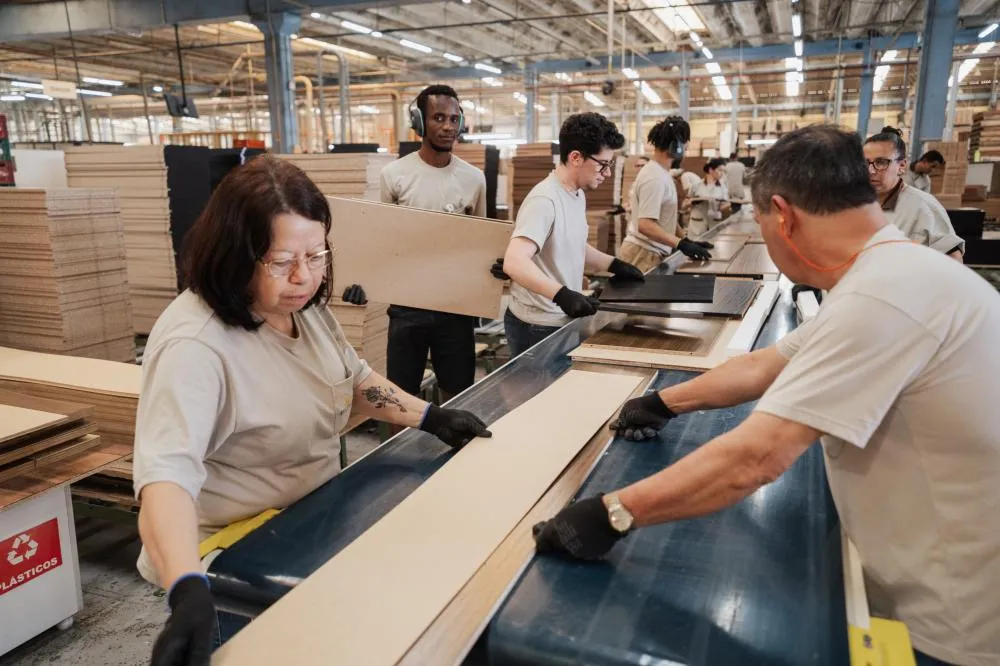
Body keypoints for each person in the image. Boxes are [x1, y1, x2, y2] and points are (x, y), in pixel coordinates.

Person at [533, 126, 1000, 666]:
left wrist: (610, 513)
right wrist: (664, 402)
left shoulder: (885, 295)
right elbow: (765, 366)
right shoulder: (896, 270)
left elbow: (755, 458)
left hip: (957, 621)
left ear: (783, 213)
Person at [135, 155, 493, 665]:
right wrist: (186, 587)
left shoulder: (302, 306)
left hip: (311, 517)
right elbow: (165, 478)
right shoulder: (196, 345)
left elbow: (354, 380)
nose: (304, 277)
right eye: (282, 261)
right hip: (235, 551)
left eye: (317, 255)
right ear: (236, 255)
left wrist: (430, 417)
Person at [371, 84, 489, 401]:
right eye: (438, 117)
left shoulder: (474, 179)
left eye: (454, 119)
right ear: (420, 122)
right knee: (399, 395)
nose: (448, 126)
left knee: (458, 391)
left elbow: (481, 240)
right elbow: (385, 240)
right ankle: (400, 451)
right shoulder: (394, 175)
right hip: (408, 304)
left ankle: (456, 449)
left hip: (455, 305)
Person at [502, 112, 641, 356]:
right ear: (575, 157)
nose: (607, 174)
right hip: (537, 324)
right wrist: (562, 295)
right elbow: (514, 262)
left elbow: (572, 243)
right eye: (603, 164)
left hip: (559, 318)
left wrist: (614, 264)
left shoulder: (576, 194)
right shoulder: (544, 200)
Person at [616, 117, 713, 274]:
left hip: (649, 252)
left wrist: (686, 240)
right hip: (641, 254)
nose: (685, 153)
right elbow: (645, 225)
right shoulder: (655, 177)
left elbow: (664, 218)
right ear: (677, 147)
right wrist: (680, 245)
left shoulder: (662, 174)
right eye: (685, 148)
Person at [864, 128, 963, 261]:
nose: (871, 170)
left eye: (881, 162)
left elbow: (952, 258)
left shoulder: (924, 207)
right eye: (865, 163)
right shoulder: (854, 203)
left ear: (902, 165)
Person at [685, 157, 730, 237]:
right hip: (697, 227)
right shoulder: (696, 186)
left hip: (714, 225)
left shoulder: (723, 188)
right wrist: (692, 202)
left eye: (723, 171)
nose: (722, 173)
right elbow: (685, 205)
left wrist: (729, 204)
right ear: (710, 170)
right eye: (720, 170)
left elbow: (723, 207)